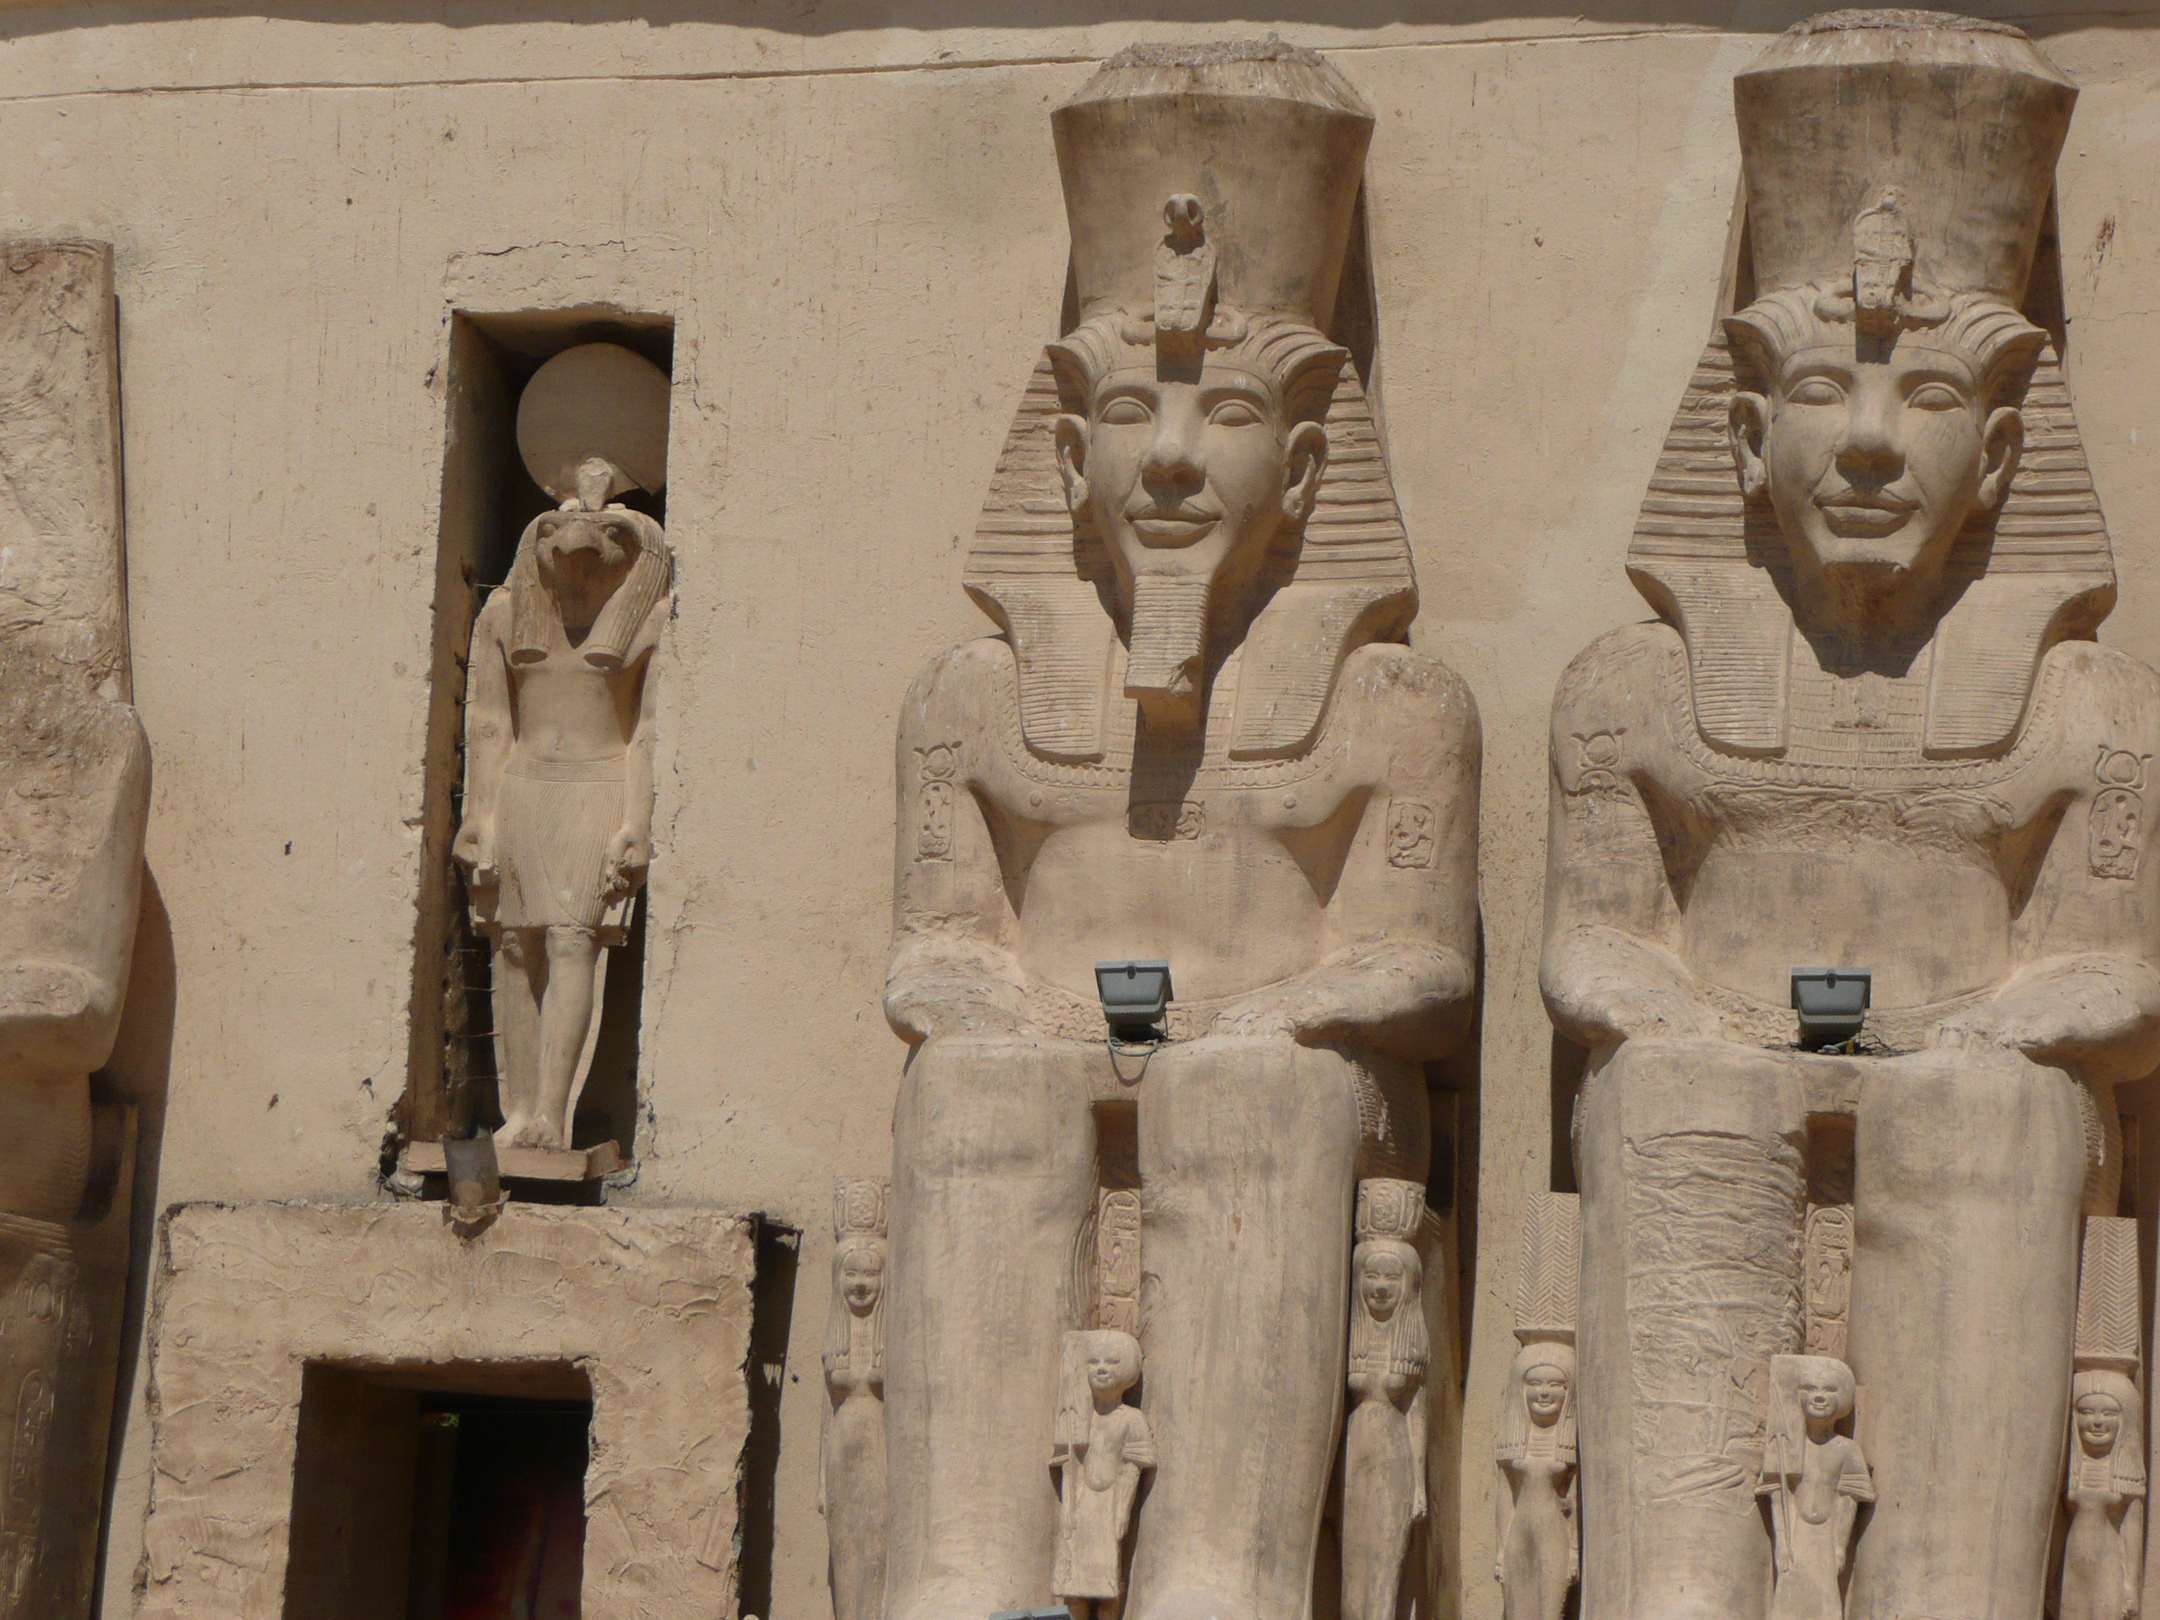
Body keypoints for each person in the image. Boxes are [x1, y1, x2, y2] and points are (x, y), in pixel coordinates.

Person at [1494, 1344, 1577, 1620]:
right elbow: (1505, 1496)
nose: (1543, 1392)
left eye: (1555, 1385)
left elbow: (1576, 1503)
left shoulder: (1568, 1444)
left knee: (1550, 1612)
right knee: (1517, 1611)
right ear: (1521, 1388)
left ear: (1568, 1392)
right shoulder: (1516, 1440)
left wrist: (1574, 1552)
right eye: (1535, 1383)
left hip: (1554, 1535)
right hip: (1519, 1534)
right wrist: (1500, 1551)